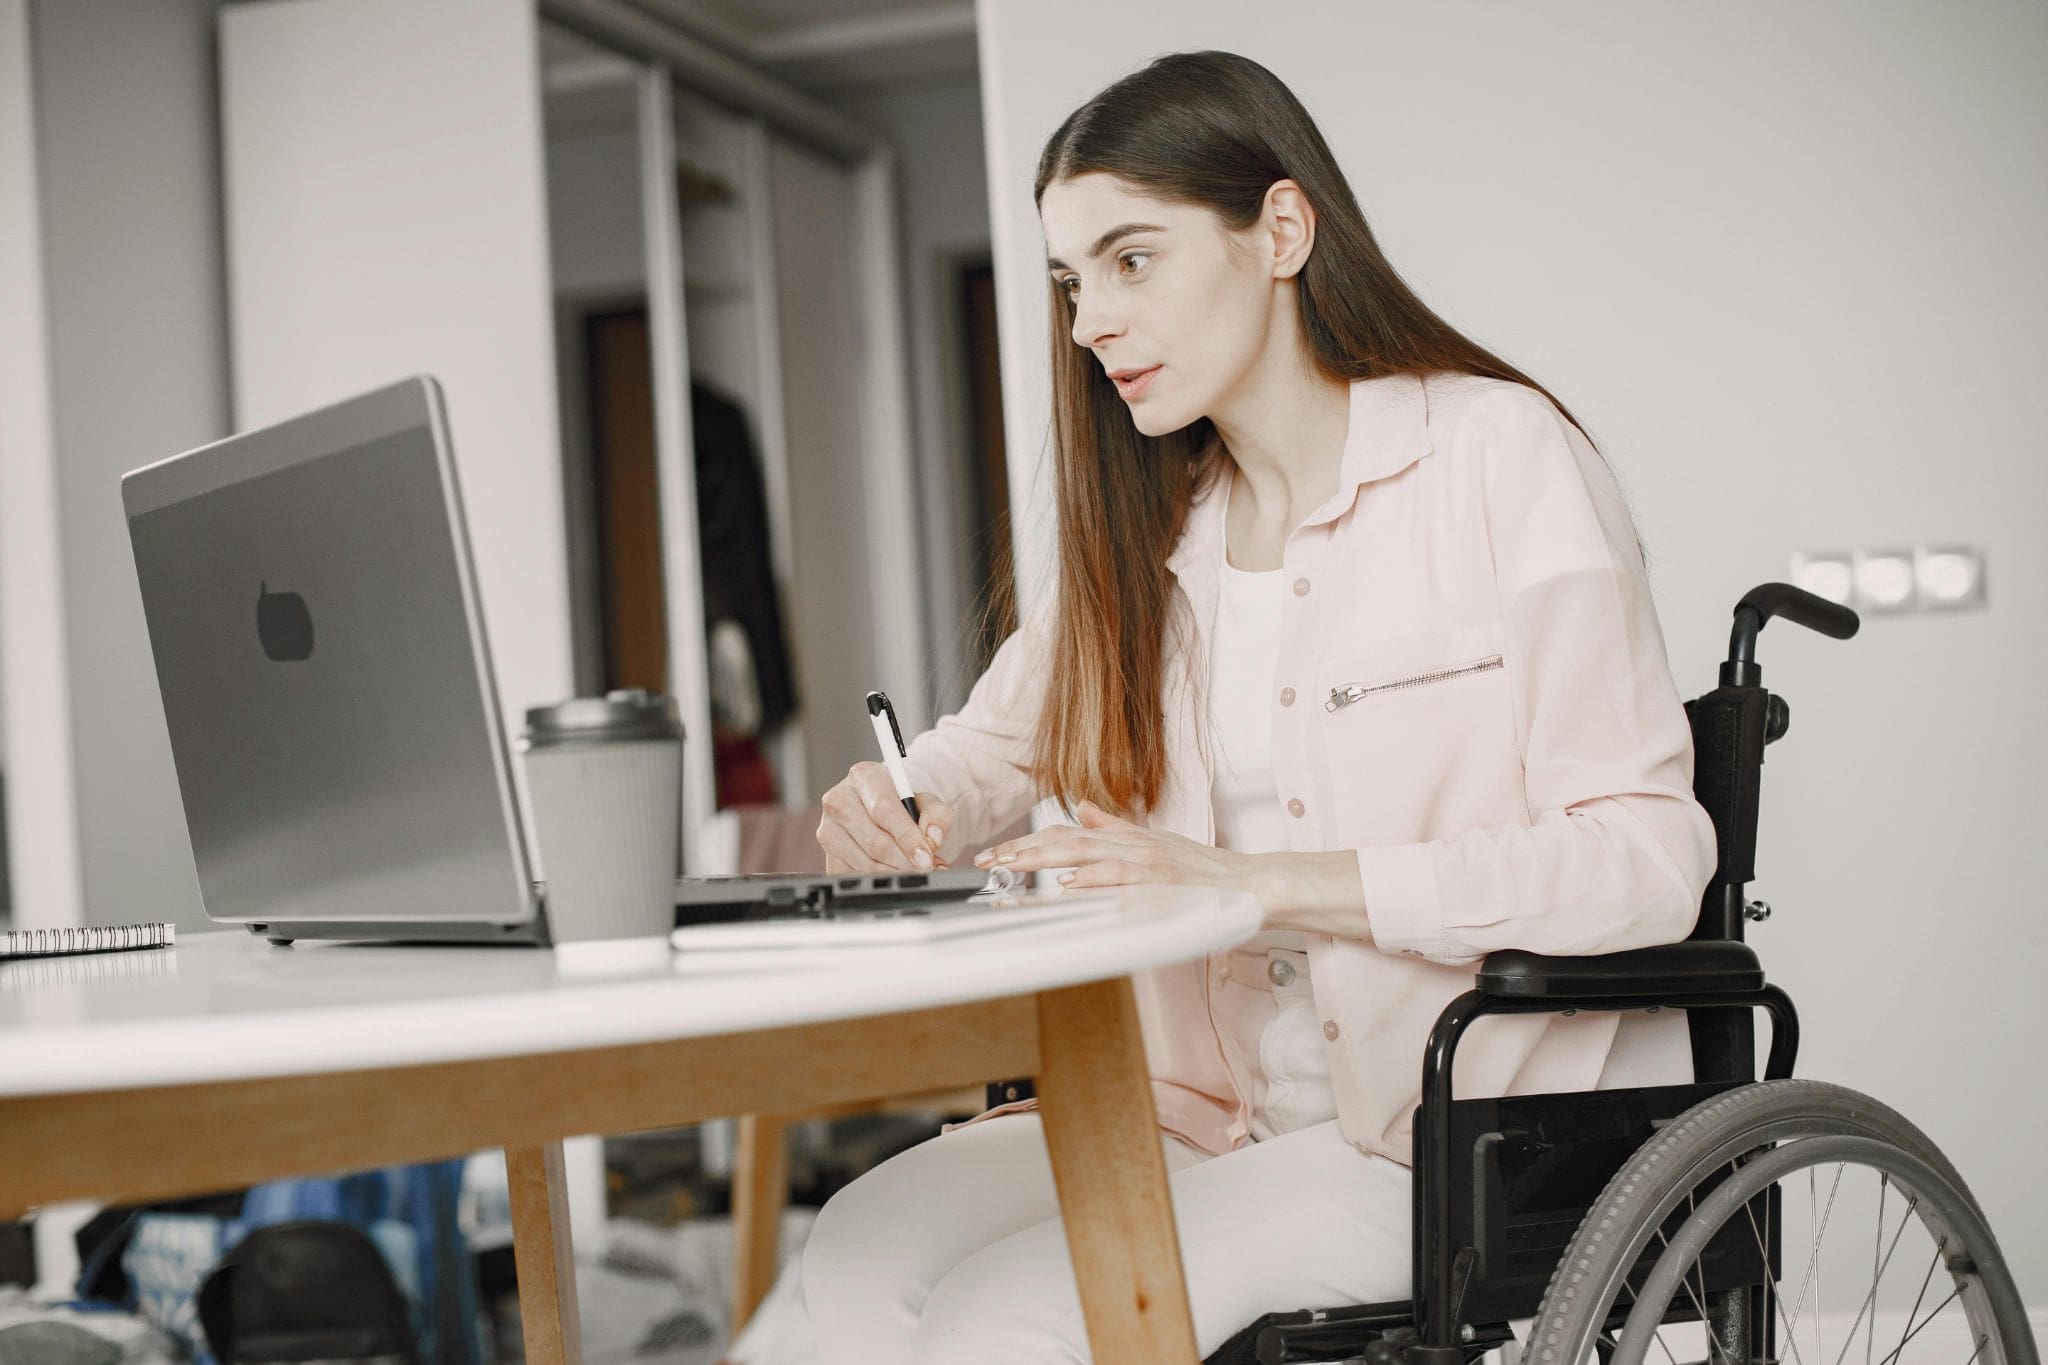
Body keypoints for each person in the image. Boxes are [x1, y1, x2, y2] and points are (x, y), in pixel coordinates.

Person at [801, 49, 1718, 1363]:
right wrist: (901, 806)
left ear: (1281, 229)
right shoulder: (1158, 535)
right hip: (1192, 1108)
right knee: (860, 1245)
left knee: (1003, 1319)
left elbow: (1647, 855)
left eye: (1131, 260)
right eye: (1070, 283)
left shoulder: (1496, 458)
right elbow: (976, 756)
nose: (1088, 324)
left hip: (1441, 1136)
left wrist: (1251, 880)